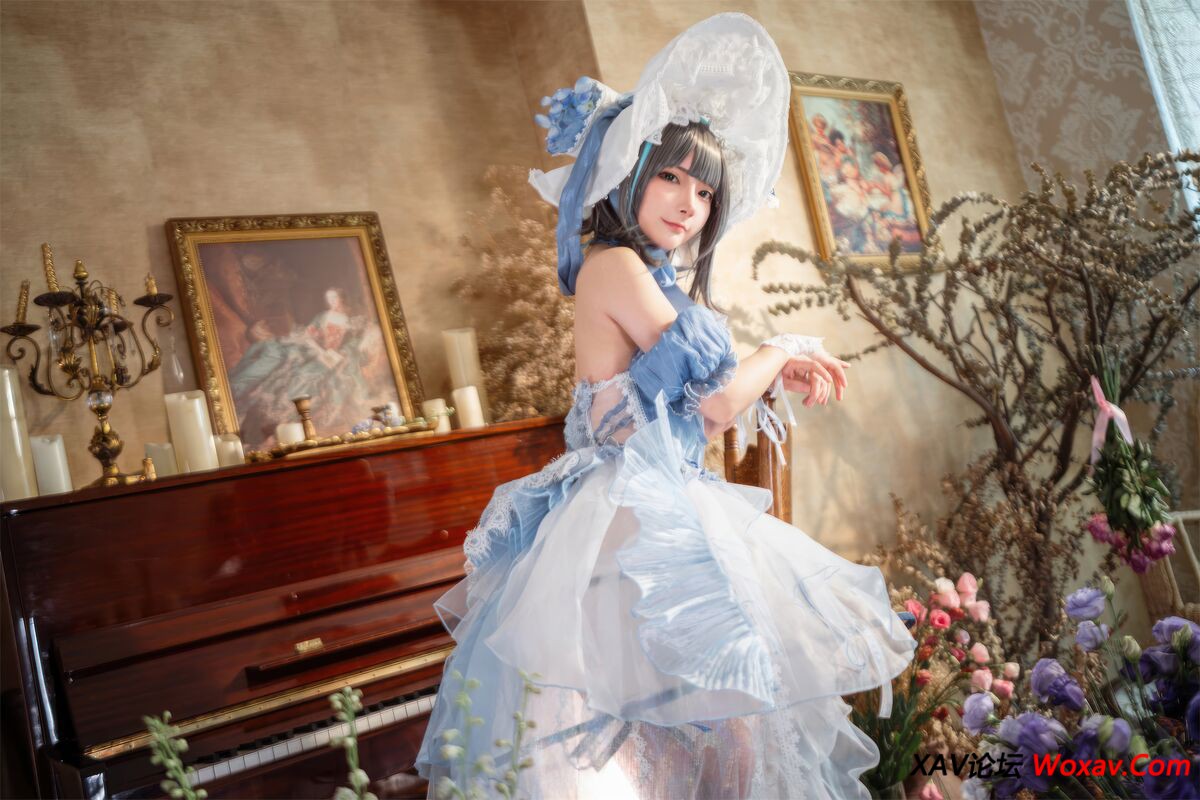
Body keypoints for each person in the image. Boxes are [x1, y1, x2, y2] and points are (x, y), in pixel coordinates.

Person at [414, 13, 916, 799]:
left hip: (658, 504)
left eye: (706, 190)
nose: (690, 203)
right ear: (631, 174)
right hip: (631, 516)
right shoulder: (614, 265)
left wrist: (777, 368)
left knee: (713, 739)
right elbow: (719, 403)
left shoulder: (650, 277)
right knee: (716, 730)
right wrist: (781, 347)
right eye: (672, 178)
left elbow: (704, 399)